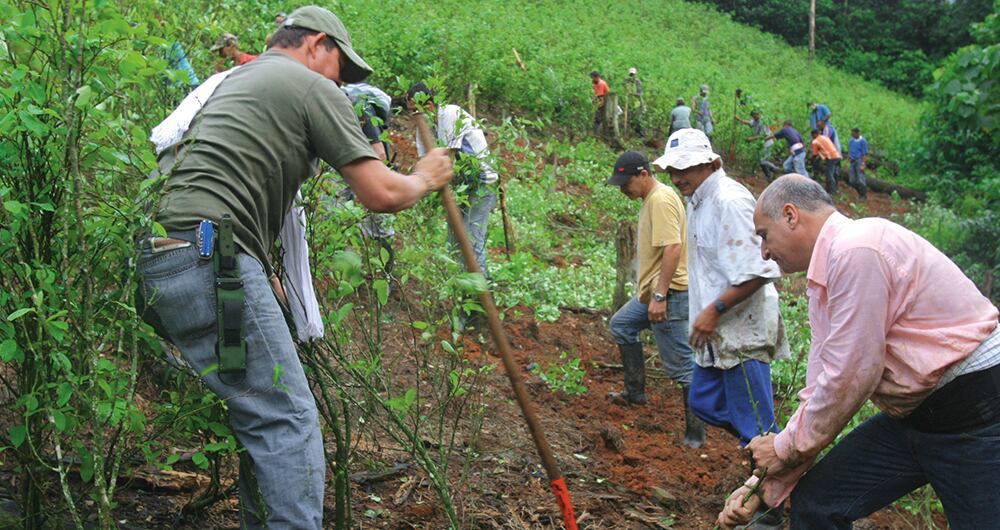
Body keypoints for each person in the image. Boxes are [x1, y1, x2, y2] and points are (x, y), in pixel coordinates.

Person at [136, 7, 453, 528]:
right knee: (289, 421)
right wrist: (424, 175)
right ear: (317, 44)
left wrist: (268, 278)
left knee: (260, 418)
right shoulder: (307, 84)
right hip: (214, 261)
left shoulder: (233, 82)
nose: (341, 85)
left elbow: (212, 177)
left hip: (165, 261)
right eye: (341, 71)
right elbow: (380, 192)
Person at [717, 175, 1000, 530]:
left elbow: (852, 376)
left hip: (976, 416)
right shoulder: (825, 281)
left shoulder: (857, 250)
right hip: (915, 416)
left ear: (790, 215)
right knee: (819, 503)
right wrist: (762, 487)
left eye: (763, 234)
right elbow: (823, 390)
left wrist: (784, 448)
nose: (764, 252)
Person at [653, 129, 788, 449]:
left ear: (711, 163)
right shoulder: (697, 203)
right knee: (704, 402)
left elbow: (760, 270)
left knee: (756, 424)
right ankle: (772, 449)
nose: (676, 177)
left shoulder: (729, 200)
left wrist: (714, 312)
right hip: (717, 331)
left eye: (684, 168)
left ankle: (773, 470)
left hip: (742, 330)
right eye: (673, 170)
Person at [605, 151, 705, 447]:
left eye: (626, 182)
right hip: (653, 292)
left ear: (644, 175)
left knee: (682, 367)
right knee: (622, 324)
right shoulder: (652, 199)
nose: (623, 189)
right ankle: (635, 392)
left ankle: (695, 434)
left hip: (670, 293)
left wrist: (660, 295)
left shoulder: (660, 200)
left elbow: (673, 248)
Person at [407, 83, 498, 281]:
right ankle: (464, 291)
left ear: (429, 104)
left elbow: (447, 160)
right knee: (454, 241)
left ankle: (481, 294)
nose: (414, 115)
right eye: (411, 111)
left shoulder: (449, 114)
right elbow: (425, 164)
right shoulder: (423, 127)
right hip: (460, 186)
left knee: (471, 240)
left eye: (416, 109)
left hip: (481, 182)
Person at [340, 82, 397, 272]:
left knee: (379, 218)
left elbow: (379, 154)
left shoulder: (358, 105)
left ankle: (385, 271)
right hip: (347, 142)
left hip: (366, 138)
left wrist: (372, 190)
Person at [734, 109, 780, 181]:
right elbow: (749, 123)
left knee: (763, 161)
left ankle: (775, 169)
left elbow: (763, 135)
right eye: (753, 116)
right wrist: (739, 119)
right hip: (762, 144)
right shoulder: (755, 121)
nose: (754, 117)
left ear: (758, 114)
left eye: (756, 115)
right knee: (761, 161)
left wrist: (751, 139)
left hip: (767, 143)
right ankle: (769, 176)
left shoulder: (763, 122)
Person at [810, 128, 842, 195]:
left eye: (812, 135)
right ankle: (835, 189)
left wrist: (811, 161)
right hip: (837, 155)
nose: (812, 137)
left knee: (829, 174)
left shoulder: (815, 141)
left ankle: (832, 191)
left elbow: (814, 154)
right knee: (835, 174)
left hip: (831, 157)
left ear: (814, 134)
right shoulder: (825, 137)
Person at [624, 67, 646, 138]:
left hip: (637, 103)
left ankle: (642, 135)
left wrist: (632, 93)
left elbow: (640, 94)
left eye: (633, 75)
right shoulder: (627, 82)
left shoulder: (638, 82)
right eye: (631, 75)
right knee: (632, 120)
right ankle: (635, 134)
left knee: (638, 119)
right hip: (630, 104)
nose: (632, 76)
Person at [847, 127, 869, 200]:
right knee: (852, 180)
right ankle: (859, 193)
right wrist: (847, 161)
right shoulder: (851, 141)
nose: (852, 135)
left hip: (859, 160)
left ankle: (863, 195)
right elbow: (850, 151)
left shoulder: (863, 141)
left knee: (860, 179)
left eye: (853, 133)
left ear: (857, 133)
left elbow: (865, 154)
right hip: (852, 161)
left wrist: (863, 164)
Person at [590, 70, 610, 137]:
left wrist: (597, 106)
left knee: (598, 118)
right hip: (598, 101)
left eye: (592, 77)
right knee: (597, 118)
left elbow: (601, 97)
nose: (592, 79)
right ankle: (596, 133)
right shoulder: (594, 83)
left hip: (605, 101)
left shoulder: (601, 84)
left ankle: (597, 134)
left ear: (597, 77)